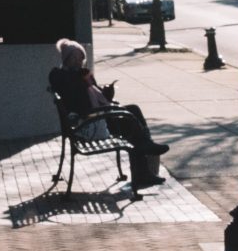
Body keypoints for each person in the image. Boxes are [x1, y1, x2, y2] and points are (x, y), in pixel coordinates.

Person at [49, 39, 170, 187]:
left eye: (81, 57)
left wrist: (106, 93)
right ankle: (143, 167)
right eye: (75, 57)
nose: (79, 61)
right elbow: (79, 101)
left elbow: (99, 98)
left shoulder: (82, 75)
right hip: (89, 123)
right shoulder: (60, 76)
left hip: (98, 116)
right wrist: (83, 80)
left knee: (133, 110)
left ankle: (145, 152)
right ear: (66, 59)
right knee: (131, 125)